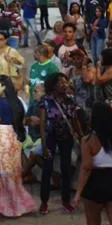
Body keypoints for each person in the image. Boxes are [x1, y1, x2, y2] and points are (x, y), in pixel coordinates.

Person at [0, 75, 38, 217]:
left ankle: (8, 204)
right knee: (13, 170)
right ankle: (16, 202)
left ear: (4, 87)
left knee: (0, 170)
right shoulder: (17, 102)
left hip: (2, 136)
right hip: (15, 136)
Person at [39, 73, 84, 215]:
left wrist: (82, 137)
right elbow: (42, 124)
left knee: (66, 169)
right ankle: (44, 202)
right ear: (53, 85)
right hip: (50, 137)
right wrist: (44, 144)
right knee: (47, 169)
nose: (65, 85)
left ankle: (66, 201)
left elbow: (75, 120)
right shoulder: (46, 101)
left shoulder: (70, 101)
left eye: (66, 82)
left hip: (66, 137)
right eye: (61, 83)